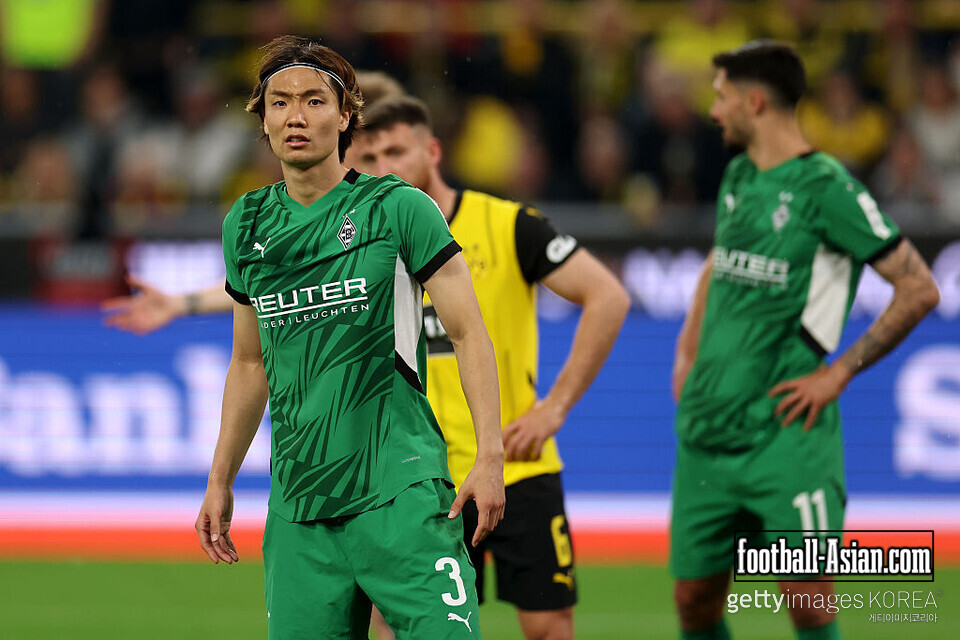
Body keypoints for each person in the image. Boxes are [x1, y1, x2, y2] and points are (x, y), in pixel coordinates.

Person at [194, 36, 504, 639]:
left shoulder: (398, 208)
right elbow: (249, 363)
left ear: (345, 115)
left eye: (314, 101)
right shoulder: (247, 223)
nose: (296, 116)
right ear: (262, 118)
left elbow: (468, 333)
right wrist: (220, 478)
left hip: (400, 493)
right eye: (280, 102)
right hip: (299, 506)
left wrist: (489, 454)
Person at [671, 42, 940, 640]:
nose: (713, 110)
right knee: (694, 600)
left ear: (754, 101)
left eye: (720, 96)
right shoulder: (739, 173)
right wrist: (687, 350)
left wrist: (838, 373)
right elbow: (720, 262)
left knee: (807, 599)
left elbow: (919, 288)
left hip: (785, 434)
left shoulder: (828, 188)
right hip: (708, 433)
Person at [353, 95, 630, 640]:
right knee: (396, 625)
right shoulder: (362, 243)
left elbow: (608, 297)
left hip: (516, 465)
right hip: (419, 476)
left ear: (432, 151)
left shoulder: (507, 224)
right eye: (369, 157)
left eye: (396, 151)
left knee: (549, 626)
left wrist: (554, 408)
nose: (384, 168)